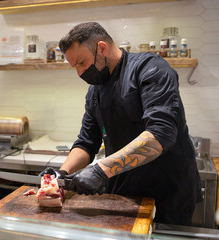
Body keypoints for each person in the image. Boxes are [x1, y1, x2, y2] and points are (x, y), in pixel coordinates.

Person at [40, 22, 201, 225]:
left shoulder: (150, 68)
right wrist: (61, 174)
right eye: (75, 67)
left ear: (102, 48)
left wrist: (100, 170)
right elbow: (86, 142)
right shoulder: (95, 91)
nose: (80, 73)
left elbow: (161, 134)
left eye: (82, 63)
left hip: (167, 192)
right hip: (123, 192)